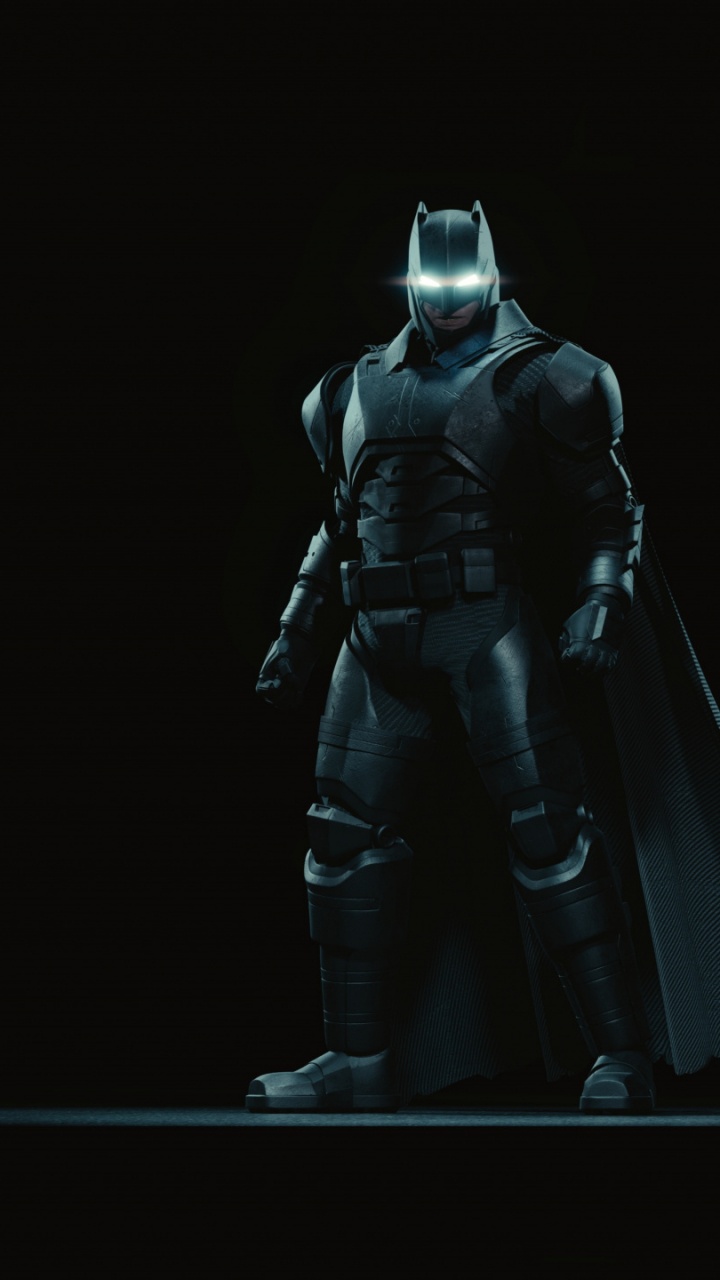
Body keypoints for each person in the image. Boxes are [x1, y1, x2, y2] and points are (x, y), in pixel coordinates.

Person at [245, 201, 719, 1114]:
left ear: (492, 276)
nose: (448, 299)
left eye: (463, 282)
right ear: (411, 282)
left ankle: (621, 1053)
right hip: (374, 642)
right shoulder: (348, 390)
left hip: (484, 629)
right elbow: (340, 523)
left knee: (549, 833)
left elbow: (607, 509)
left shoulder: (547, 376)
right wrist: (296, 632)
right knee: (341, 840)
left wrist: (601, 600)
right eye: (433, 284)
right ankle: (357, 1059)